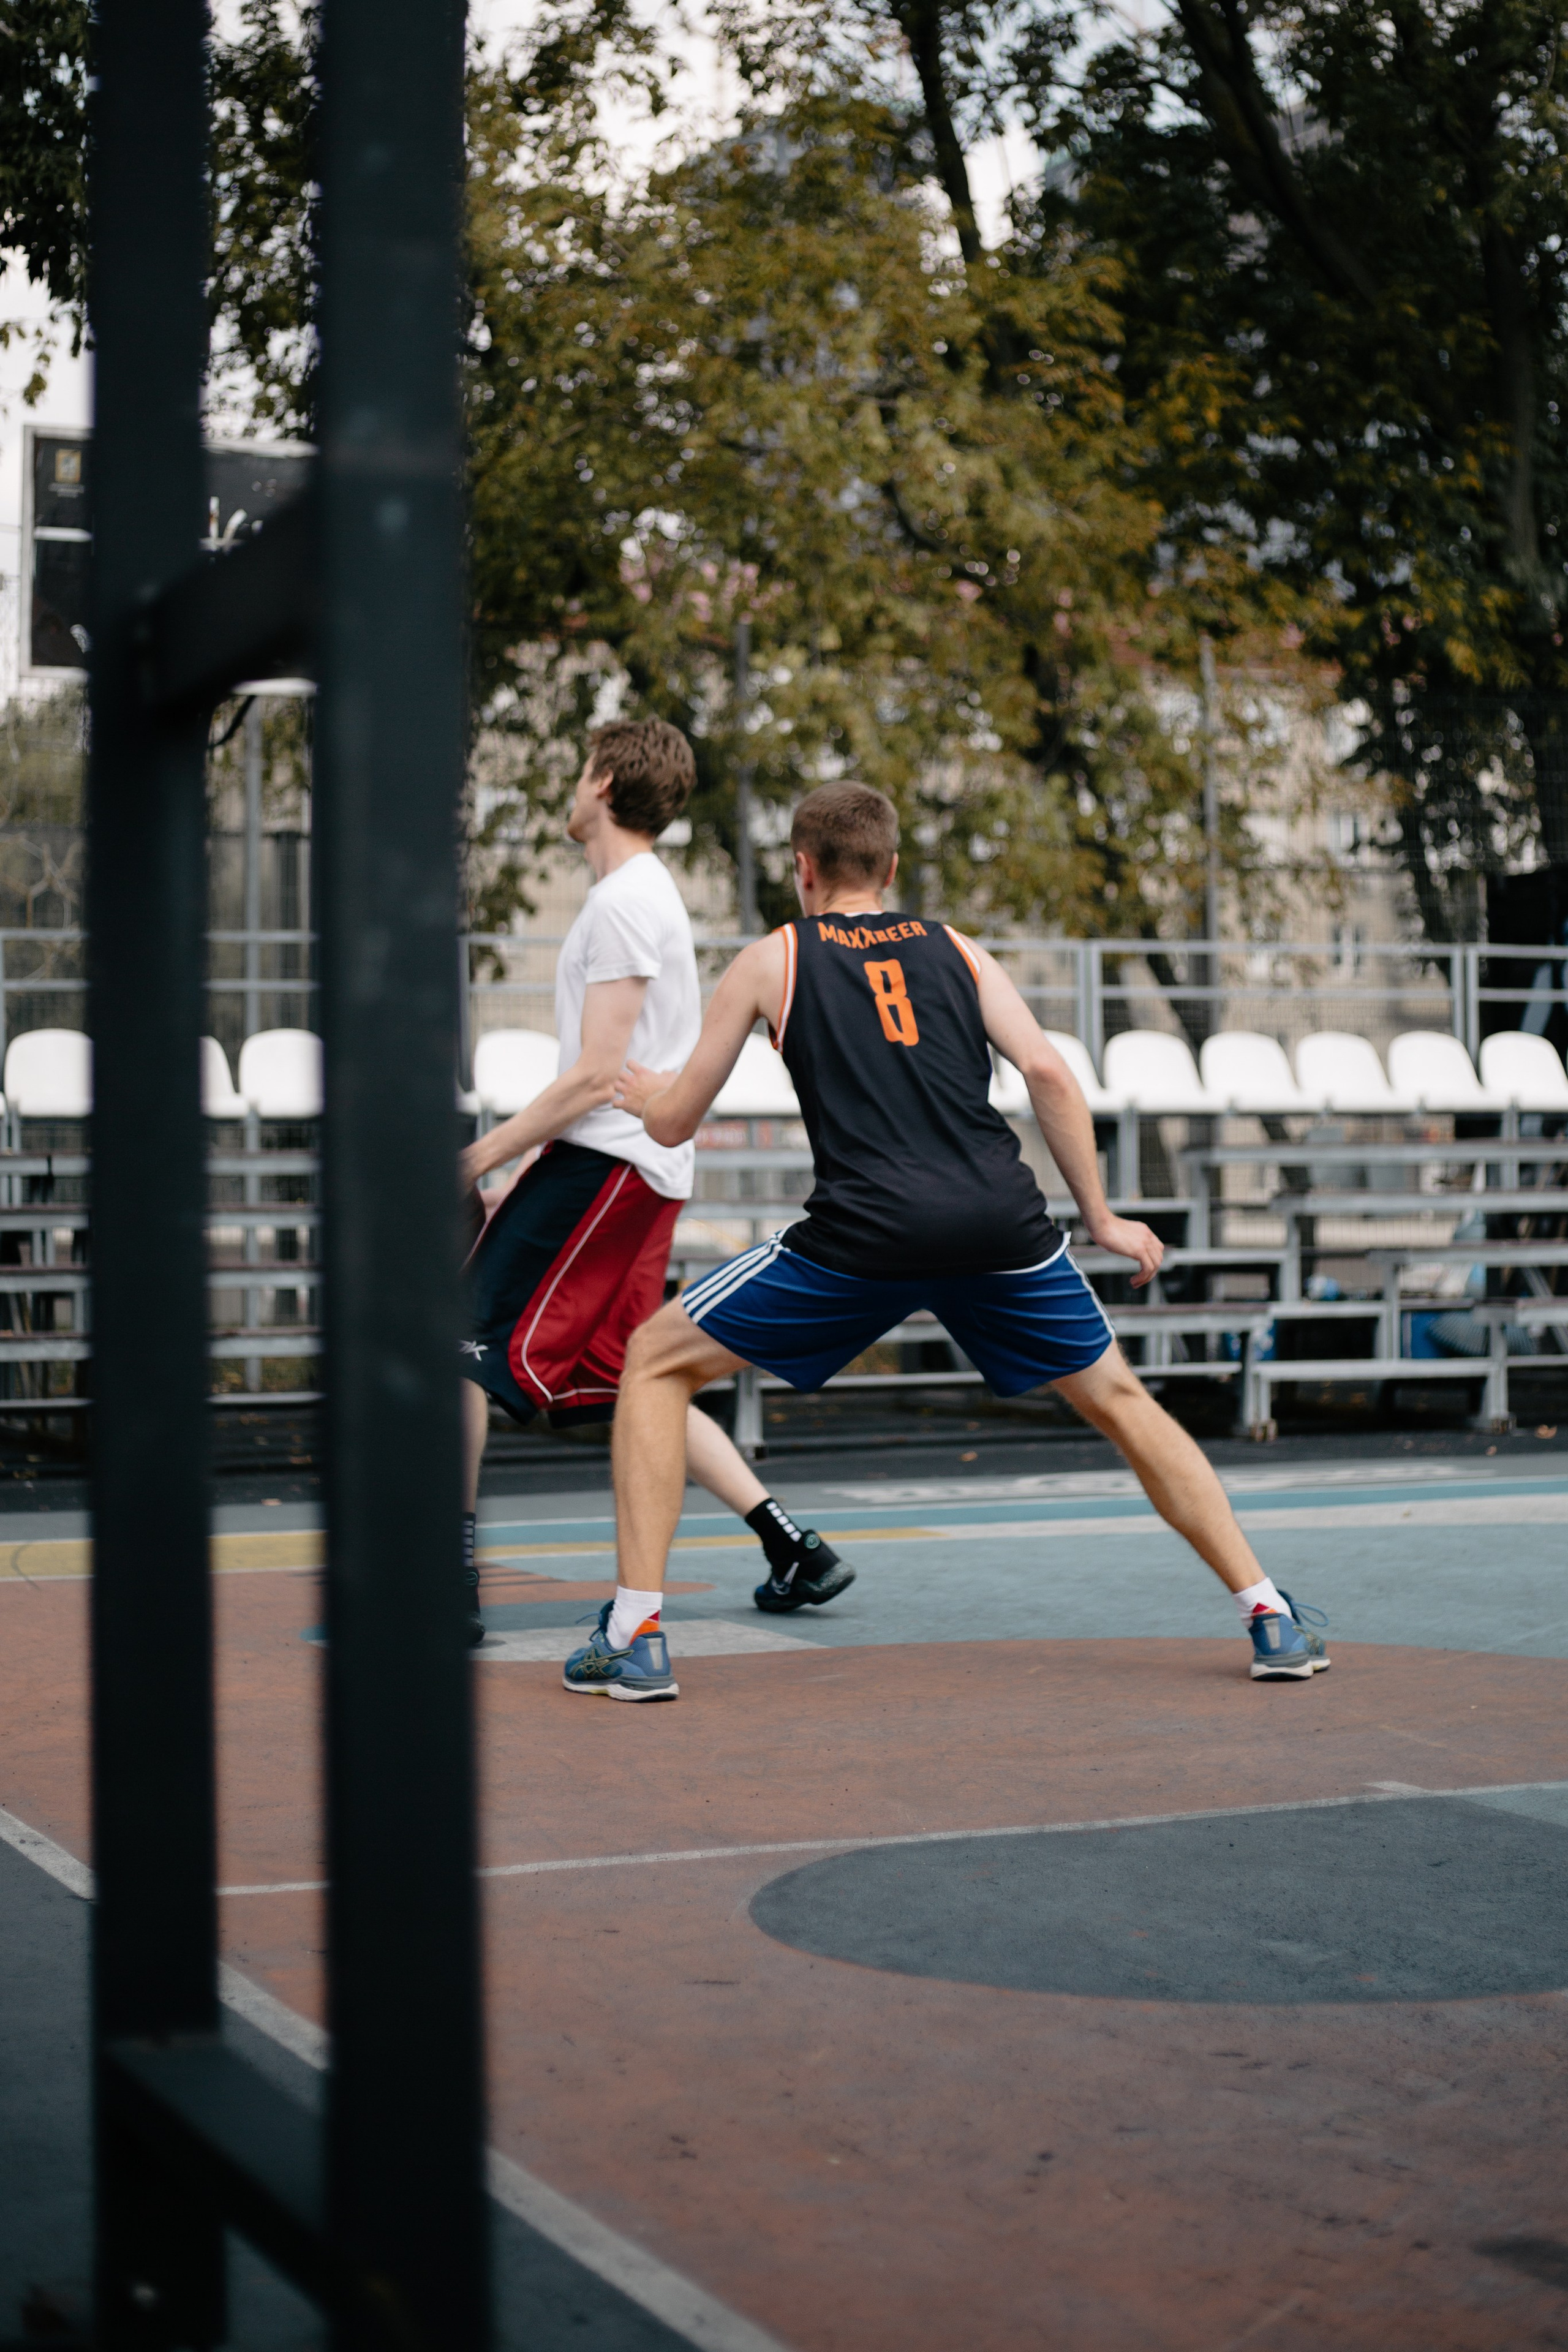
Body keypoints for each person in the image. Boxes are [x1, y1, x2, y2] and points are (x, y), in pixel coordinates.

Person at [563, 777, 1328, 1701]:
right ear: (891, 868)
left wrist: (642, 1093)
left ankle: (636, 1633)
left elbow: (677, 1121)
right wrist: (1100, 1217)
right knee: (1123, 1399)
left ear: (802, 871)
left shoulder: (774, 960)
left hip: (865, 1235)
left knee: (651, 1358)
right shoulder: (958, 951)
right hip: (996, 1224)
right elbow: (1046, 1068)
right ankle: (1268, 1614)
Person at [458, 720, 854, 1650]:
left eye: (575, 770)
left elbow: (600, 1075)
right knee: (644, 1374)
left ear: (600, 781)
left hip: (607, 1163)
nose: (570, 786)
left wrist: (483, 1157)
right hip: (634, 1168)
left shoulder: (625, 903)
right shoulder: (631, 897)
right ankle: (791, 1546)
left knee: (462, 1347)